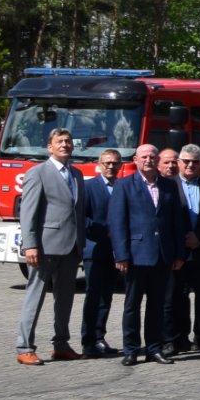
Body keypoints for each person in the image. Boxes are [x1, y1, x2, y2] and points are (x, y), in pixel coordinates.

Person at [110, 143, 191, 366]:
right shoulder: (124, 185)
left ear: (157, 160)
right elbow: (117, 223)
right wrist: (121, 255)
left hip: (163, 255)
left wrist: (178, 254)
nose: (148, 160)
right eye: (144, 156)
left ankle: (154, 348)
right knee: (132, 305)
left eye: (152, 156)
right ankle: (131, 349)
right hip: (135, 255)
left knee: (156, 306)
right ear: (135, 160)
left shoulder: (169, 186)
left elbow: (176, 222)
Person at [15, 127, 89, 366]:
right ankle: (25, 346)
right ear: (50, 147)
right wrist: (30, 245)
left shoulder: (76, 174)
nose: (65, 145)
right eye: (60, 141)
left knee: (65, 299)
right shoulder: (38, 173)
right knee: (35, 297)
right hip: (44, 248)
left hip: (71, 248)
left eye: (68, 141)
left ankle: (61, 344)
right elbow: (28, 213)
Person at [164, 146, 200, 358]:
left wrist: (199, 236)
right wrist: (183, 239)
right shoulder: (168, 186)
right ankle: (175, 339)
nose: (190, 165)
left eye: (195, 162)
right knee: (176, 298)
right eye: (186, 161)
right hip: (177, 252)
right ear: (178, 162)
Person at [78, 148, 123, 359]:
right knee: (93, 296)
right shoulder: (88, 187)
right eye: (107, 163)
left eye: (114, 163)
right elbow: (81, 218)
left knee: (107, 297)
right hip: (94, 249)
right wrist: (102, 230)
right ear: (99, 164)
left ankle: (99, 337)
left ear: (120, 165)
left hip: (116, 253)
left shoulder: (123, 187)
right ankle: (87, 341)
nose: (111, 167)